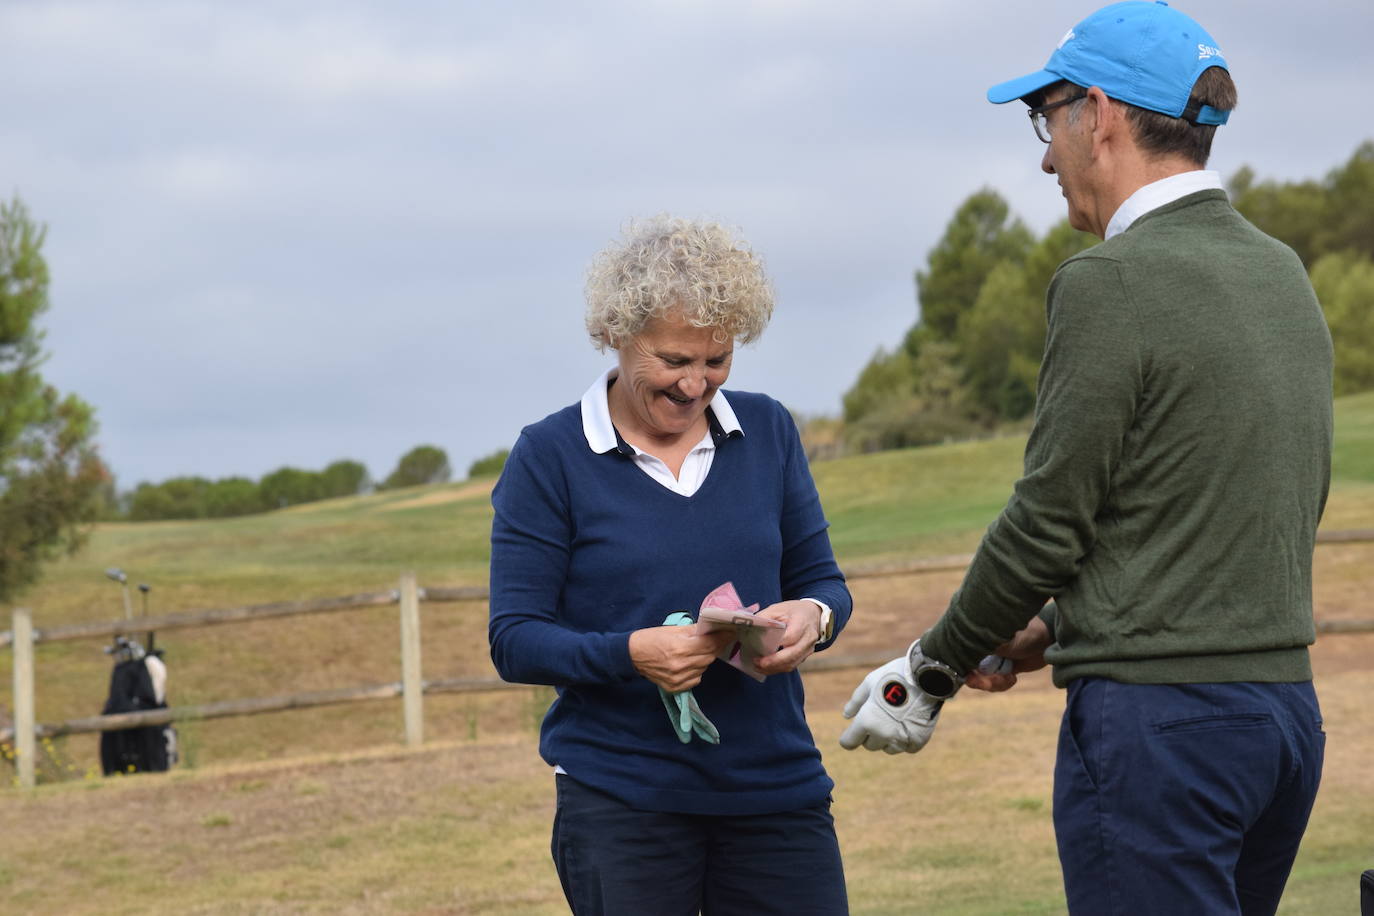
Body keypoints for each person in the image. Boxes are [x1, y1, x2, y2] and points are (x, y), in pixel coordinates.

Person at [839, 3, 1332, 914]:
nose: (1042, 153)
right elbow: (1229, 516)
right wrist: (1065, 626)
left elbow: (1045, 527)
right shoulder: (1282, 273)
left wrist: (932, 671)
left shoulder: (1108, 282)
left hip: (1163, 733)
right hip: (1283, 725)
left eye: (1046, 118)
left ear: (1098, 114)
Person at [488, 215, 852, 915]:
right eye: (673, 361)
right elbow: (515, 638)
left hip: (775, 790)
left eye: (715, 361)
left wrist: (815, 617)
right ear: (618, 337)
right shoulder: (549, 458)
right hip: (623, 801)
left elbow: (823, 583)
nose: (695, 385)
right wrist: (631, 653)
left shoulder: (769, 430)